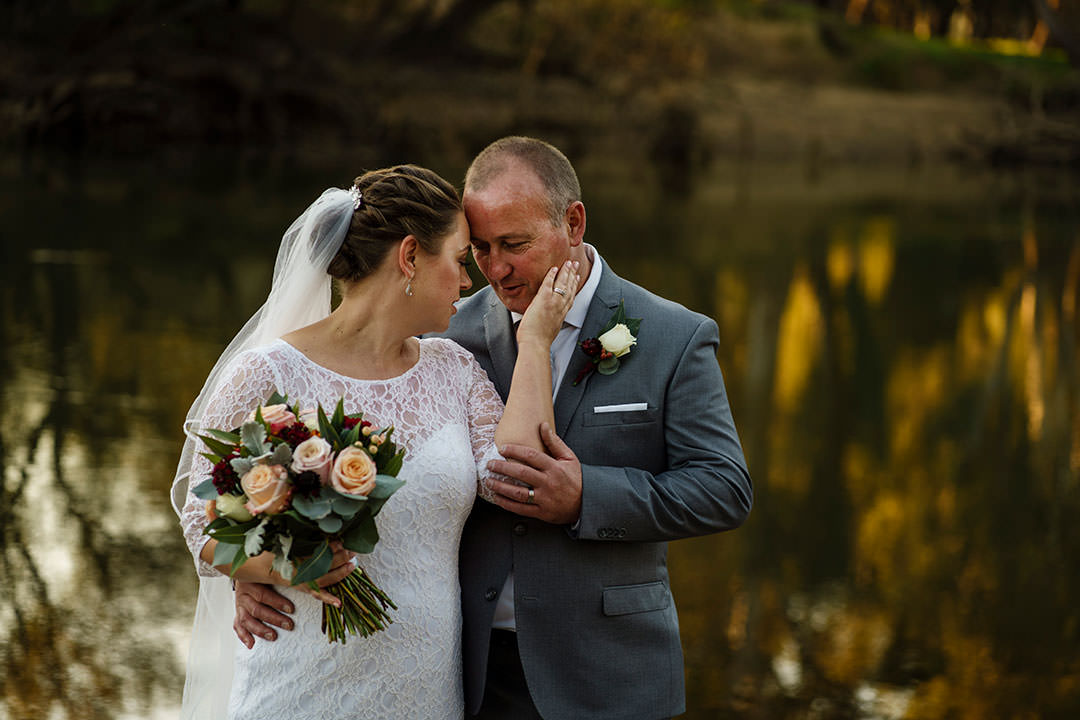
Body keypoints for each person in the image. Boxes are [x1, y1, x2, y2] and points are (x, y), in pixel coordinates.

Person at [234, 137, 753, 719]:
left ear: (573, 223)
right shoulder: (442, 333)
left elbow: (723, 488)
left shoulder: (673, 336)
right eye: (478, 249)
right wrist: (264, 564)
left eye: (515, 245)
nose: (494, 269)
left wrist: (587, 496)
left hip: (606, 673)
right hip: (467, 669)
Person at [171, 163, 578, 720]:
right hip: (300, 684)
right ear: (410, 257)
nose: (468, 283)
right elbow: (202, 526)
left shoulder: (453, 369)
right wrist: (282, 568)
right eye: (460, 260)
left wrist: (535, 342)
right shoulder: (267, 373)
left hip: (426, 689)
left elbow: (518, 473)